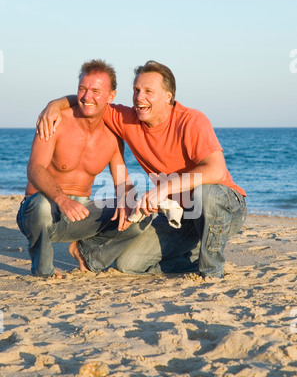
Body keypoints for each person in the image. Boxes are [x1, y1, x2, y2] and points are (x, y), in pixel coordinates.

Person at [36, 60, 247, 278]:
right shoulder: (129, 119)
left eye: (148, 91)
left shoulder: (191, 121)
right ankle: (194, 254)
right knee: (129, 264)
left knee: (207, 192)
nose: (139, 97)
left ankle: (211, 272)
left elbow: (216, 170)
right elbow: (92, 100)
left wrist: (164, 189)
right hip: (182, 216)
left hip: (225, 207)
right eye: (136, 90)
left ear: (168, 96)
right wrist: (53, 105)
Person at [17, 59, 151, 278]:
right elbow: (34, 168)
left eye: (96, 91)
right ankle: (43, 270)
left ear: (111, 96)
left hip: (80, 215)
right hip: (41, 210)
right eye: (82, 89)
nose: (87, 97)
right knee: (41, 205)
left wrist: (131, 203)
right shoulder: (56, 119)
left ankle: (86, 254)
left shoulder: (113, 135)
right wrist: (61, 199)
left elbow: (122, 182)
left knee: (138, 213)